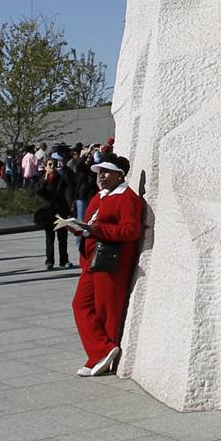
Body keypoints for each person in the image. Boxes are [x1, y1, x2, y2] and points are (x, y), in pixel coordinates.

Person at [66, 157, 145, 377]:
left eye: (107, 172)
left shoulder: (128, 199)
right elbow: (91, 227)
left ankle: (101, 357)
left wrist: (96, 230)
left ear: (120, 175)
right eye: (99, 172)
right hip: (91, 262)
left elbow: (131, 231)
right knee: (80, 305)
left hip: (111, 260)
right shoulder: (98, 197)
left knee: (107, 310)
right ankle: (102, 350)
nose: (101, 176)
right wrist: (77, 228)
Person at [36, 157, 74, 270]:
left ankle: (64, 260)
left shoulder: (61, 178)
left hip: (60, 210)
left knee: (62, 238)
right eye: (49, 165)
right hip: (48, 212)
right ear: (45, 166)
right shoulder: (42, 178)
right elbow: (38, 191)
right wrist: (45, 179)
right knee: (49, 238)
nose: (52, 167)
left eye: (53, 164)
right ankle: (49, 261)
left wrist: (64, 168)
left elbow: (67, 184)